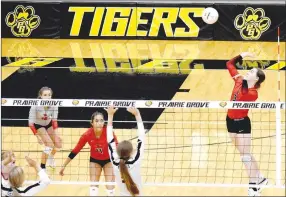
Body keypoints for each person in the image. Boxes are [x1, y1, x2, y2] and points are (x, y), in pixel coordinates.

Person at [226, 52, 267, 196]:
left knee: (245, 156)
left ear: (256, 79)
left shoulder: (253, 93)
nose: (247, 72)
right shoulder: (240, 80)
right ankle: (260, 178)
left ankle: (254, 186)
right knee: (244, 153)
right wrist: (242, 55)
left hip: (242, 123)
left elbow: (243, 93)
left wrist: (239, 78)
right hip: (230, 120)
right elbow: (229, 64)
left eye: (251, 72)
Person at [60, 112, 117, 196]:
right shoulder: (87, 135)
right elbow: (75, 150)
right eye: (97, 121)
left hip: (109, 160)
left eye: (101, 120)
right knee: (93, 189)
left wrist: (122, 166)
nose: (99, 123)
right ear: (92, 123)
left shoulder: (109, 132)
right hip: (95, 161)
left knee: (110, 188)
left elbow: (117, 147)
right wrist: (64, 165)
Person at [106, 106, 145, 196]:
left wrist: (110, 115)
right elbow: (142, 138)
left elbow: (109, 140)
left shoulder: (115, 162)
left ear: (118, 151)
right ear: (131, 152)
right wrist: (137, 115)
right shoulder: (136, 160)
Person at [28, 86, 62, 170]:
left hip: (49, 123)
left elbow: (54, 120)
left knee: (58, 144)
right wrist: (37, 137)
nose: (48, 97)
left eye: (49, 95)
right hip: (38, 125)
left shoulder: (54, 104)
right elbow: (30, 123)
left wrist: (56, 134)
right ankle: (42, 167)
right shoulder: (35, 105)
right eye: (45, 95)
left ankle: (50, 157)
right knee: (49, 144)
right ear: (41, 96)